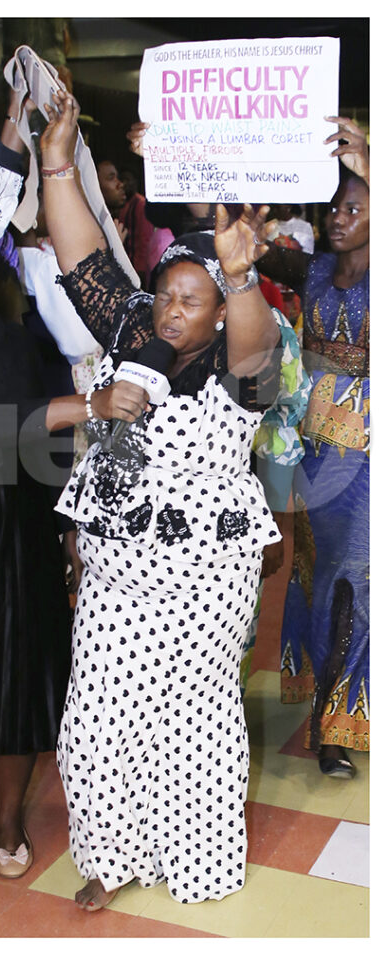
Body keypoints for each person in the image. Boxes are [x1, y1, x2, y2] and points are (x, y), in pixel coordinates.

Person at [39, 87, 281, 911]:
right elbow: (82, 258)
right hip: (116, 578)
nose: (172, 311)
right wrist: (56, 158)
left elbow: (255, 345)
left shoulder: (239, 365)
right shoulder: (134, 332)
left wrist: (240, 277)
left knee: (191, 721)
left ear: (219, 312)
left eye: (191, 300)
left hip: (204, 580)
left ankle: (196, 859)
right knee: (96, 720)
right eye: (165, 294)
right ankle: (110, 853)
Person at [0, 206, 146, 878]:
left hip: (21, 525)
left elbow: (49, 451)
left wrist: (67, 525)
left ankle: (9, 813)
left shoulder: (19, 339)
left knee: (16, 674)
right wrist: (88, 405)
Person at [257, 117, 370, 779]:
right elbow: (247, 244)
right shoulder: (316, 268)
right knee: (318, 576)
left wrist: (372, 162)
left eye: (355, 208)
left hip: (368, 455)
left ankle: (336, 726)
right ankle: (327, 704)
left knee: (356, 578)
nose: (339, 218)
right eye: (335, 207)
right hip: (313, 450)